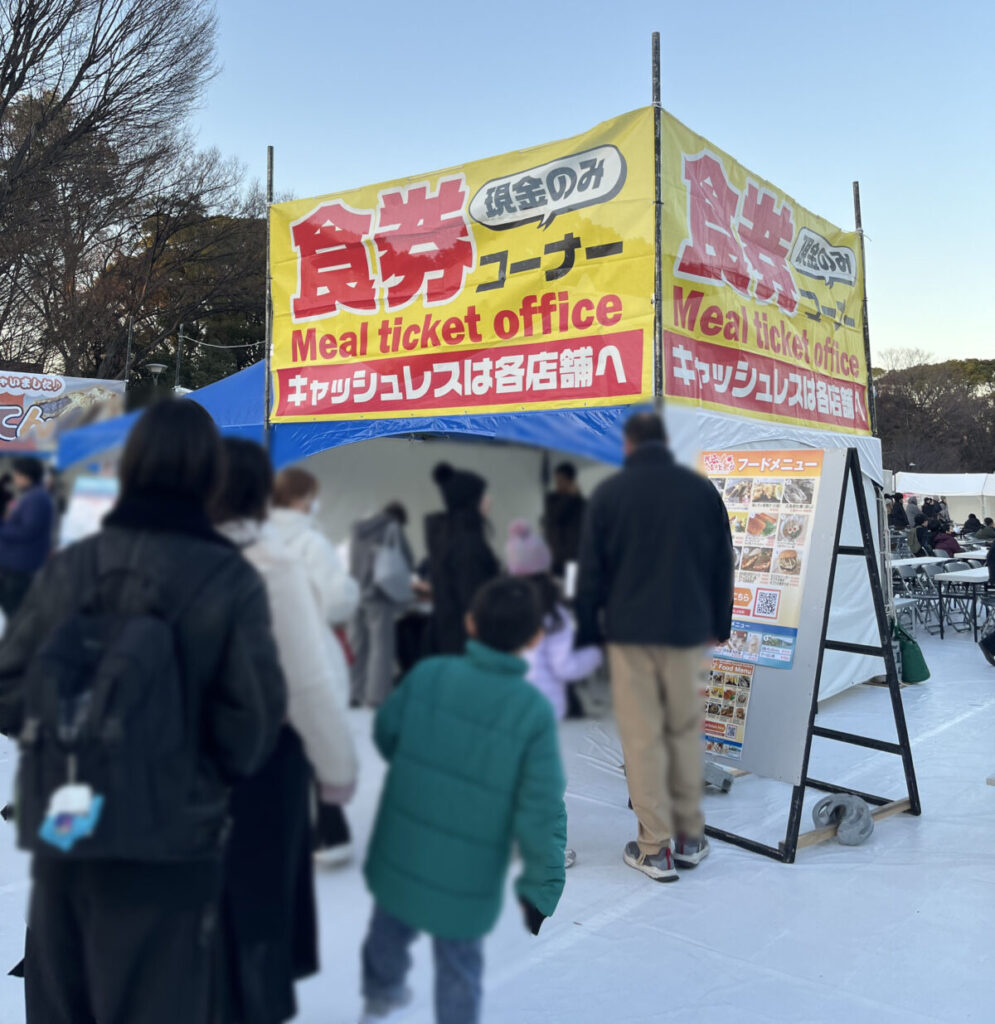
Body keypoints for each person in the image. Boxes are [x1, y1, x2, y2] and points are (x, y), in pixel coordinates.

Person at [0, 400, 286, 1024]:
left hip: (66, 833)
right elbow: (252, 729)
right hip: (172, 848)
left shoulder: (73, 565)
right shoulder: (228, 579)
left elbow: (7, 691)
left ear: (129, 468)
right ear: (210, 475)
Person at [361, 577, 567, 1024]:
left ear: (470, 623)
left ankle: (381, 995)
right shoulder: (531, 711)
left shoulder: (429, 674)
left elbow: (385, 734)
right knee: (459, 964)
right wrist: (541, 884)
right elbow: (543, 804)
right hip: (468, 875)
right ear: (535, 638)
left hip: (403, 850)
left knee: (389, 927)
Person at [214, 439, 357, 1024]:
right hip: (264, 752)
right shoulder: (275, 557)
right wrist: (337, 768)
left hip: (178, 765)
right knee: (259, 901)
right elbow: (306, 680)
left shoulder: (169, 550)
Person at [575, 412, 734, 882]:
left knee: (643, 739)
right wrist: (718, 624)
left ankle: (654, 848)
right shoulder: (701, 490)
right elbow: (723, 559)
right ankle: (688, 839)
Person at [271, 466, 359, 867]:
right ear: (304, 497)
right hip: (309, 652)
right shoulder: (311, 542)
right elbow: (337, 600)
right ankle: (329, 831)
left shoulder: (256, 538)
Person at [505, 519, 602, 722]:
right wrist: (595, 654)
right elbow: (564, 667)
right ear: (546, 569)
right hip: (546, 706)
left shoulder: (501, 611)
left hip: (508, 706)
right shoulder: (555, 615)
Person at [425, 463, 499, 655]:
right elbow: (472, 595)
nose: (488, 501)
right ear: (470, 501)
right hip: (466, 641)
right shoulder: (467, 542)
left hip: (451, 635)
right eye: (482, 497)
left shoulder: (449, 535)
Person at [350, 502, 414, 707]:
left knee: (359, 646)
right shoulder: (392, 526)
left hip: (355, 590)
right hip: (378, 594)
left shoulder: (358, 528)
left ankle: (354, 692)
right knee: (381, 647)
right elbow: (408, 559)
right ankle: (377, 697)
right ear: (399, 518)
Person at [0, 457, 56, 617]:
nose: (15, 479)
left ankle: (16, 641)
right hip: (16, 565)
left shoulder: (36, 498)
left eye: (17, 475)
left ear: (26, 476)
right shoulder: (32, 496)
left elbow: (28, 530)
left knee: (15, 611)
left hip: (21, 567)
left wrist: (2, 528)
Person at [543, 461, 586, 578]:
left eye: (561, 480)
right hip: (555, 555)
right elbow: (556, 516)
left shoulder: (581, 503)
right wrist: (569, 497)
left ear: (570, 481)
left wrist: (575, 497)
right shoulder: (552, 500)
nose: (558, 484)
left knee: (570, 591)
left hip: (573, 556)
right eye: (556, 480)